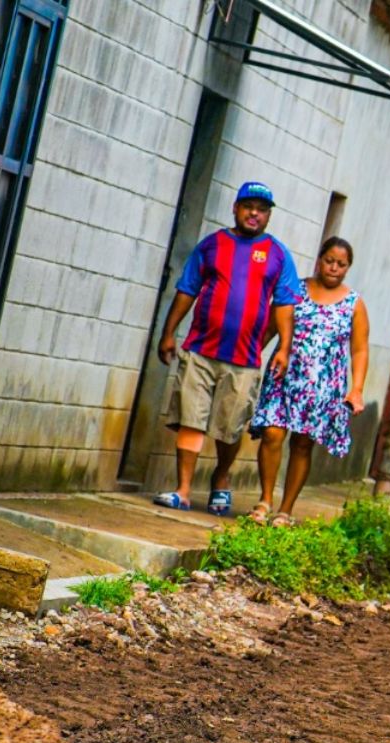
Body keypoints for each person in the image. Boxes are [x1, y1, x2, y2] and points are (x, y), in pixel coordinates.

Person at [152, 181, 302, 515]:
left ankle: (221, 479)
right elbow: (187, 289)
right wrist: (168, 332)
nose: (254, 214)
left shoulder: (277, 254)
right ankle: (184, 489)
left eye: (262, 210)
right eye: (248, 206)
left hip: (245, 359)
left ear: (268, 216)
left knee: (230, 427)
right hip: (200, 350)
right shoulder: (212, 246)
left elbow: (285, 304)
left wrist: (283, 349)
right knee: (191, 419)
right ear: (235, 208)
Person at [247, 238, 369, 525]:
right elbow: (270, 330)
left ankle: (285, 510)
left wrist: (357, 390)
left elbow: (360, 349)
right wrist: (250, 359)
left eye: (341, 264)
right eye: (329, 261)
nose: (334, 268)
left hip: (323, 387)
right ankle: (265, 500)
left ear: (348, 268)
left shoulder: (354, 303)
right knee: (273, 434)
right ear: (319, 259)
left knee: (302, 445)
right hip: (284, 377)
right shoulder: (294, 290)